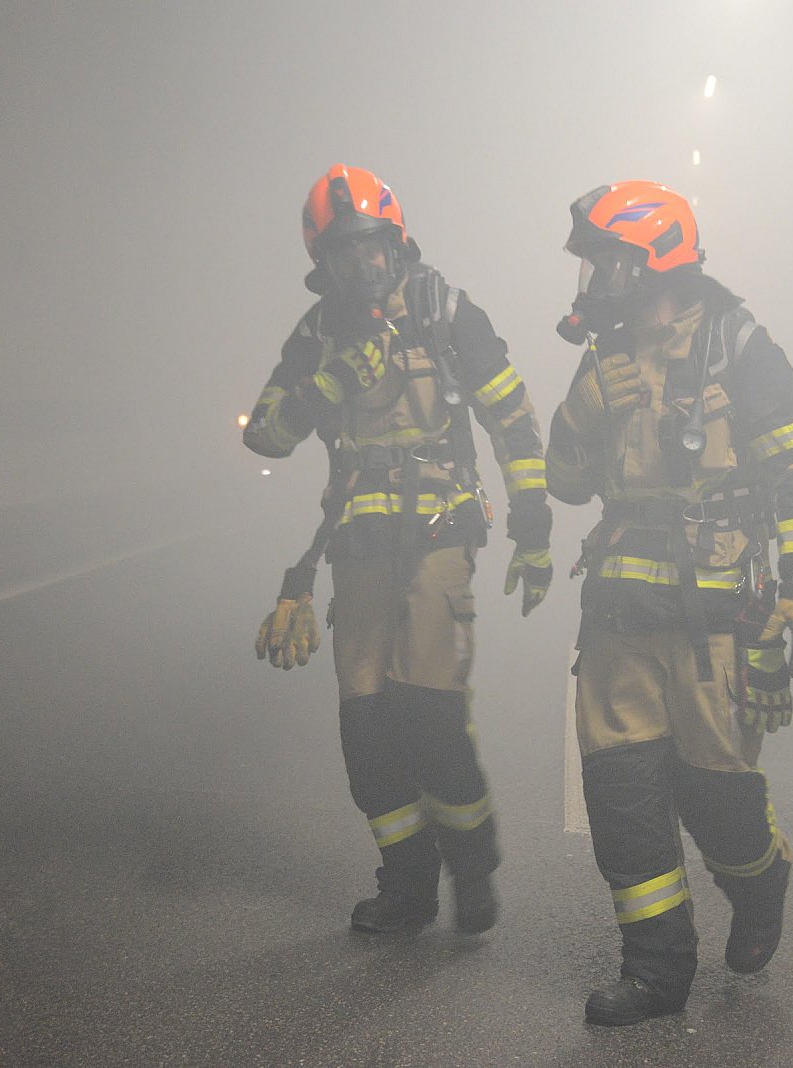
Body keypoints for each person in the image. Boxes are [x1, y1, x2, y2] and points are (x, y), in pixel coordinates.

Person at [545, 181, 793, 1024]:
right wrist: (580, 413)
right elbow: (566, 483)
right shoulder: (604, 357)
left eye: (610, 262)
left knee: (718, 799)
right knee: (622, 796)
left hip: (718, 621)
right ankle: (657, 973)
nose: (597, 280)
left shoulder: (739, 346)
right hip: (618, 616)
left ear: (655, 259)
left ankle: (761, 880)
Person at [243, 164, 553, 936]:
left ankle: (471, 863)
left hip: (442, 530)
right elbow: (266, 434)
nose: (362, 264)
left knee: (428, 711)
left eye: (372, 246)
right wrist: (327, 384)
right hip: (358, 545)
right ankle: (408, 885)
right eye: (344, 252)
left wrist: (532, 519)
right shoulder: (318, 335)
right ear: (323, 263)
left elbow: (511, 416)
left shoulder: (446, 311)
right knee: (366, 727)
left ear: (397, 241)